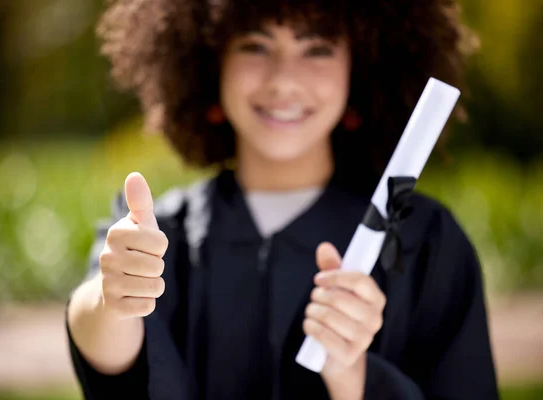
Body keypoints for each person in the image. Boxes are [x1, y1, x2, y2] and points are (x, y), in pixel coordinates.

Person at [66, 0, 499, 399]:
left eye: (318, 49)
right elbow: (105, 343)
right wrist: (112, 300)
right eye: (255, 45)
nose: (284, 80)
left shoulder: (426, 242)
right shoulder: (158, 231)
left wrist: (352, 374)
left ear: (362, 65)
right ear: (210, 61)